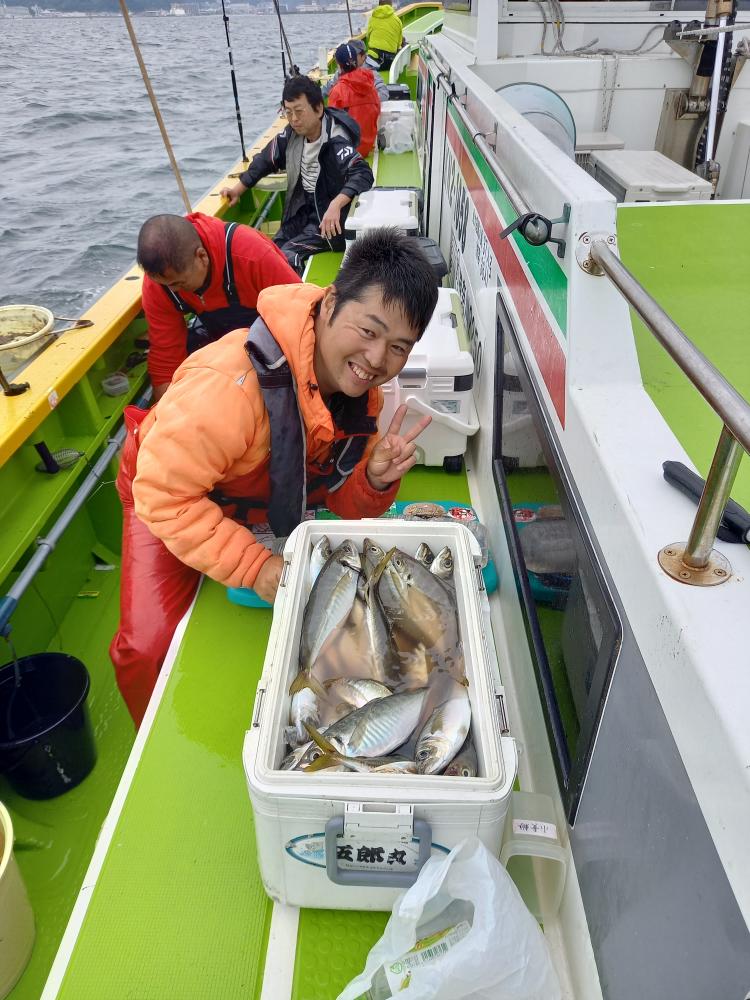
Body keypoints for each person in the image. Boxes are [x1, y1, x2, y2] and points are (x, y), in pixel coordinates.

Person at [110, 229, 439, 726]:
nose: (377, 360)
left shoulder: (356, 391)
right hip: (164, 485)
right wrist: (255, 567)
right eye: (369, 332)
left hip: (248, 490)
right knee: (145, 648)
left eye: (398, 347)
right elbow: (164, 496)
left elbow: (337, 501)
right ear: (330, 303)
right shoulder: (228, 389)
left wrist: (372, 480)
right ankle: (147, 736)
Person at [137, 213, 300, 401]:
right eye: (167, 285)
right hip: (223, 341)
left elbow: (300, 319)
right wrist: (165, 411)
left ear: (202, 256)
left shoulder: (252, 254)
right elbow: (166, 360)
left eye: (179, 283)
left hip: (274, 333)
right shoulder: (160, 285)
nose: (173, 290)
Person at [220, 75, 373, 274]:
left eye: (299, 111)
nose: (293, 119)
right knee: (268, 250)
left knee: (285, 256)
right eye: (288, 112)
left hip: (327, 221)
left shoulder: (336, 140)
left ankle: (297, 285)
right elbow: (266, 159)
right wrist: (237, 190)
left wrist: (336, 204)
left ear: (318, 109)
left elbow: (363, 172)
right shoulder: (292, 134)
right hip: (301, 210)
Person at [328, 42, 381, 158]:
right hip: (367, 147)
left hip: (347, 151)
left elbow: (331, 125)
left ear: (339, 65)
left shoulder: (337, 91)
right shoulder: (371, 86)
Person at [322, 38, 388, 104]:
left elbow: (384, 94)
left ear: (363, 56)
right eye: (348, 54)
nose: (350, 58)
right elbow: (328, 87)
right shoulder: (342, 71)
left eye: (354, 54)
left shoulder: (371, 73)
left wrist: (360, 102)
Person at [364, 0, 403, 71]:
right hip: (390, 61)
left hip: (374, 59)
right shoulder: (397, 20)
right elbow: (399, 44)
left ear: (379, 5)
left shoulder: (372, 19)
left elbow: (368, 37)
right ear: (391, 5)